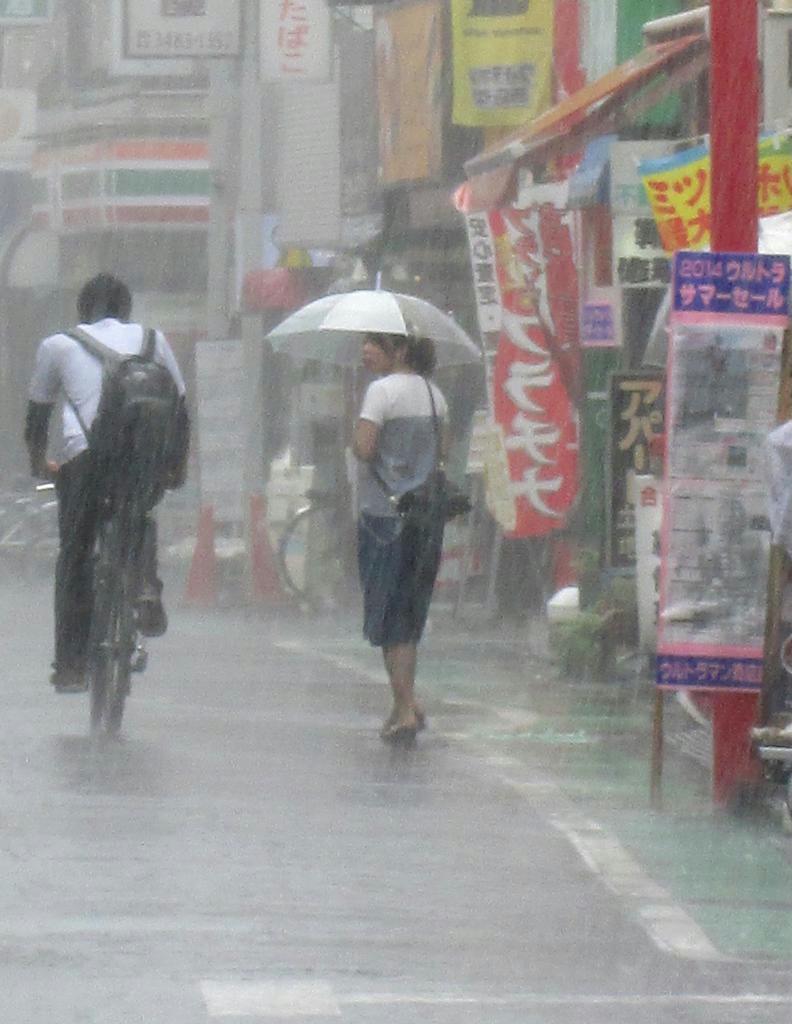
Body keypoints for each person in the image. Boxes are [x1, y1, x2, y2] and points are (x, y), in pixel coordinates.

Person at [24, 273, 189, 693]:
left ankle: (72, 665)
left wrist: (41, 464)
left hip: (86, 461)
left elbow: (38, 415)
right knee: (139, 515)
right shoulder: (153, 339)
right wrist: (175, 465)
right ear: (127, 309)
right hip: (143, 459)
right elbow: (180, 404)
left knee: (75, 554)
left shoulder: (59, 344)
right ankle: (145, 586)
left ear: (83, 310)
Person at [353, 332, 448, 744]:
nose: (366, 350)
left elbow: (364, 447)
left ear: (401, 351)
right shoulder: (434, 396)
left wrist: (358, 435)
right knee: (409, 612)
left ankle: (406, 707)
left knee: (387, 613)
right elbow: (442, 450)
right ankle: (403, 702)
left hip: (383, 516)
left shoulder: (380, 392)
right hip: (424, 517)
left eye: (375, 343)